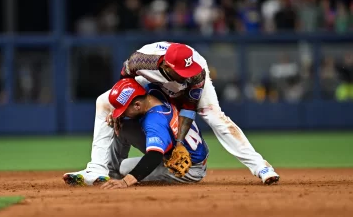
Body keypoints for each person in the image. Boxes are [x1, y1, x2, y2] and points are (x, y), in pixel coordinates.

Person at [63, 41, 279, 186]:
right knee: (104, 102)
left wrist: (177, 144)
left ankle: (261, 167)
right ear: (166, 65)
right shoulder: (141, 60)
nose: (186, 76)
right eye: (181, 73)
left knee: (215, 117)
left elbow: (188, 108)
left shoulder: (195, 72)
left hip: (181, 85)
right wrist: (120, 110)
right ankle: (97, 169)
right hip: (152, 78)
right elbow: (125, 81)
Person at [64, 78, 208, 187]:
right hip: (179, 148)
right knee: (122, 125)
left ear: (138, 105)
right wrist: (121, 114)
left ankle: (119, 176)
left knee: (126, 168)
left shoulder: (154, 121)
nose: (121, 112)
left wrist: (126, 182)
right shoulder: (154, 91)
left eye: (124, 109)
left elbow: (154, 156)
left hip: (190, 168)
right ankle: (109, 173)